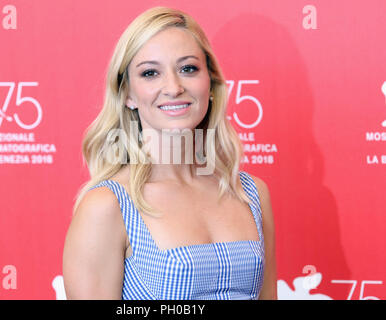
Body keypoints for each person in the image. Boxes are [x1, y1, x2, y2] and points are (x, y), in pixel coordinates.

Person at [63, 6, 277, 300]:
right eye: (150, 73)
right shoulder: (108, 206)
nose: (173, 87)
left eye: (188, 68)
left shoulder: (251, 193)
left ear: (211, 83)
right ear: (127, 94)